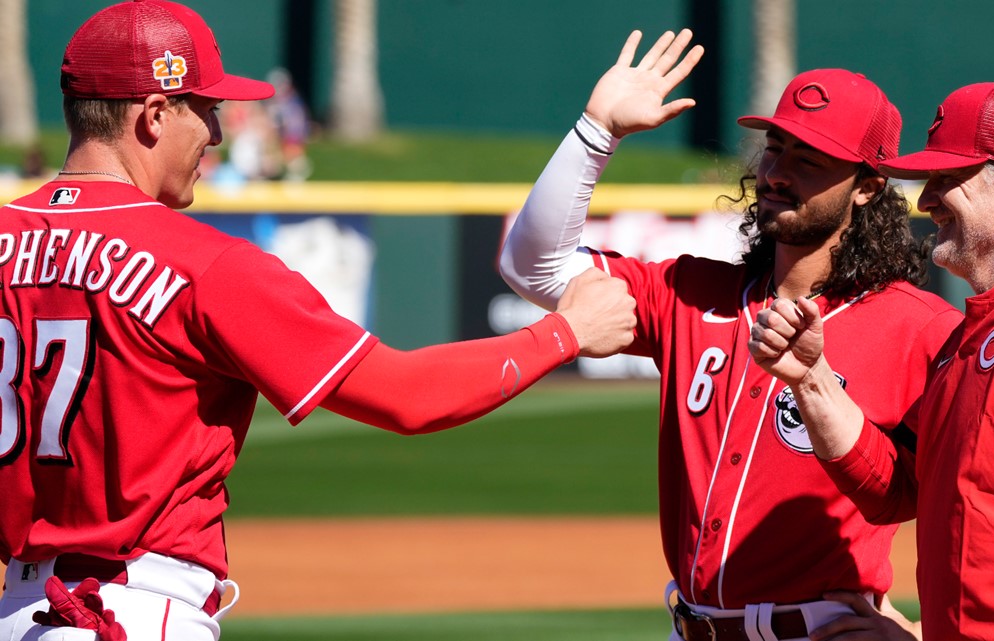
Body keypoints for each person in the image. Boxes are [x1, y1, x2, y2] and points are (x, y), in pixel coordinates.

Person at [0, 2, 636, 640]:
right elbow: (406, 396)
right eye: (208, 110)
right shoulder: (205, 265)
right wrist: (565, 333)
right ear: (155, 114)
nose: (217, 135)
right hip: (131, 612)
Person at [498, 29, 962, 641]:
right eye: (776, 148)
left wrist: (934, 633)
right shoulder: (691, 293)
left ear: (869, 185)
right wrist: (596, 130)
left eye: (809, 160)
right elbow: (532, 267)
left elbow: (977, 503)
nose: (776, 173)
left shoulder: (924, 329)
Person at [749, 81, 994, 641]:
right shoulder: (969, 336)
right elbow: (897, 490)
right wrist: (812, 380)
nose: (926, 200)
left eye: (946, 179)